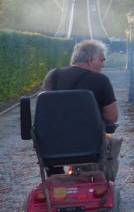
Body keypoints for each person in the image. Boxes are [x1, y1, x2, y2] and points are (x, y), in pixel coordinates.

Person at [42, 39, 121, 177]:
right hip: (88, 145)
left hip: (52, 146)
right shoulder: (100, 80)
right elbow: (111, 117)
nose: (103, 64)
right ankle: (97, 178)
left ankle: (56, 177)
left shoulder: (52, 76)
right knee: (109, 147)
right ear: (91, 60)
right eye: (102, 60)